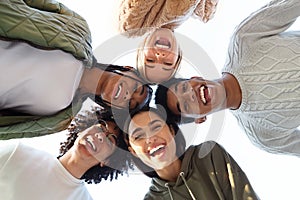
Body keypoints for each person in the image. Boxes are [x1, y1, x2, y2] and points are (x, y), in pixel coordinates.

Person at [155, 0, 300, 156]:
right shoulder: (262, 135)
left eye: (183, 88)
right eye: (185, 105)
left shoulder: (244, 39)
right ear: (199, 119)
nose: (190, 95)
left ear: (195, 77)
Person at [0, 0, 152, 139]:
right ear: (129, 70)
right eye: (136, 88)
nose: (127, 95)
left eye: (129, 103)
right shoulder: (79, 29)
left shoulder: (59, 121)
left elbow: (7, 130)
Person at [124, 108, 259, 199]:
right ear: (133, 151)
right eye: (138, 136)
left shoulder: (208, 155)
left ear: (171, 130)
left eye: (156, 127)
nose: (150, 138)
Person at [0, 107, 133, 200]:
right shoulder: (17, 153)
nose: (99, 136)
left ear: (107, 161)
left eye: (110, 140)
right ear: (82, 130)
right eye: (101, 127)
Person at [118, 0, 218, 84]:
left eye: (150, 60)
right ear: (178, 55)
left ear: (141, 50)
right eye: (167, 63)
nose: (159, 55)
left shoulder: (132, 26)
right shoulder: (204, 12)